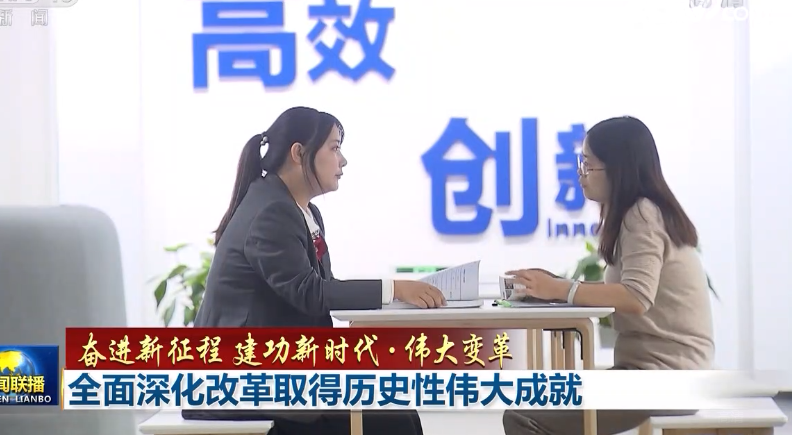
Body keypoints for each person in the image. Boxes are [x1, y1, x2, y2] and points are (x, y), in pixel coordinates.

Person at [183, 106, 442, 435]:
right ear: (298, 153)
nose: (343, 161)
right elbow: (310, 292)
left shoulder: (302, 211)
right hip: (236, 383)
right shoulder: (271, 212)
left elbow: (323, 287)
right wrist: (395, 289)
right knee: (391, 419)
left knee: (394, 408)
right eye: (334, 148)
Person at [502, 116, 715, 435]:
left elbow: (636, 297)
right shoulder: (643, 211)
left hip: (666, 377)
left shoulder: (642, 214)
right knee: (529, 406)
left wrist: (561, 288)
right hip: (657, 372)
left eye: (588, 165)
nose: (580, 174)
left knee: (523, 415)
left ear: (618, 168)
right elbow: (626, 290)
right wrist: (554, 286)